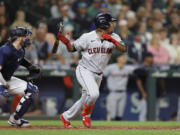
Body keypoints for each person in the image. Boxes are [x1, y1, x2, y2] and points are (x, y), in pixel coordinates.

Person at [58, 12, 127, 128]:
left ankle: (66, 116)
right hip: (85, 70)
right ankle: (87, 114)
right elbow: (71, 49)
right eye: (111, 23)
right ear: (104, 24)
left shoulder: (114, 36)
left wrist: (112, 41)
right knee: (94, 94)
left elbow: (123, 49)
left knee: (85, 98)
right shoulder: (87, 37)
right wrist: (66, 42)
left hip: (99, 74)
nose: (113, 25)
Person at [0, 27, 41, 127]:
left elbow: (19, 59)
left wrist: (30, 66)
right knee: (1, 97)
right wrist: (3, 85)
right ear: (18, 38)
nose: (27, 38)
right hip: (1, 79)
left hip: (7, 79)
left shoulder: (21, 50)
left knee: (32, 90)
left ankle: (15, 119)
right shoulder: (5, 50)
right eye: (25, 36)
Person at [104, 54, 136, 121]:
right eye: (123, 57)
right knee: (112, 115)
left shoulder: (128, 68)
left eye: (125, 57)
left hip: (123, 93)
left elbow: (138, 70)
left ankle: (117, 129)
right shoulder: (110, 68)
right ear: (117, 59)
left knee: (120, 115)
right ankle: (111, 129)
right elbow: (101, 75)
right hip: (113, 93)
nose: (125, 58)